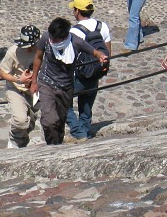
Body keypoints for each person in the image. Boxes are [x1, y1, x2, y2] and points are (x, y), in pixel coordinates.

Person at [29, 17, 108, 145]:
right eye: (52, 37)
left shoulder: (76, 42)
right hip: (47, 83)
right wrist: (34, 81)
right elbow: (38, 57)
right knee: (49, 120)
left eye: (55, 39)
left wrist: (101, 56)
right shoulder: (45, 38)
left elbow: (93, 51)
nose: (52, 40)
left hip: (66, 87)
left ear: (65, 37)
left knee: (60, 121)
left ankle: (58, 143)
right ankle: (52, 145)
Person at [65, 0, 112, 140]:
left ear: (77, 11)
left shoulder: (74, 32)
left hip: (79, 75)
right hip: (96, 72)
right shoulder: (102, 26)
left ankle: (78, 132)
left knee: (61, 102)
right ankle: (86, 131)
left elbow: (69, 58)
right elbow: (108, 51)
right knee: (86, 105)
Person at [0, 25, 41, 149]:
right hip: (16, 89)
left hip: (34, 91)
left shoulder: (41, 49)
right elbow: (2, 72)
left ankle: (21, 141)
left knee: (31, 123)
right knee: (21, 121)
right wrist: (19, 79)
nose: (27, 49)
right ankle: (13, 139)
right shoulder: (13, 52)